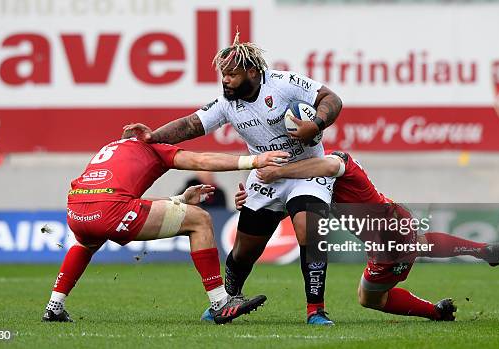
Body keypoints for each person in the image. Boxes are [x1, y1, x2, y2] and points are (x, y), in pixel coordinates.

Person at [125, 33, 343, 325]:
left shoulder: (283, 83)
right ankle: (228, 298)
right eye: (223, 75)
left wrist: (314, 125)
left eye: (231, 74)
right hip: (266, 176)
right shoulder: (227, 103)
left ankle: (315, 310)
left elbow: (331, 98)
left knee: (308, 229)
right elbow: (191, 124)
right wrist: (154, 136)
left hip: (306, 169)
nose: (225, 80)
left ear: (252, 72)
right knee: (243, 251)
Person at [41, 126, 289, 324]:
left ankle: (54, 306)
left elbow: (121, 198)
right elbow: (203, 161)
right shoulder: (155, 149)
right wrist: (254, 161)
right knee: (200, 220)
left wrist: (178, 200)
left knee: (87, 243)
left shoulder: (112, 148)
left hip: (77, 208)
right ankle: (220, 302)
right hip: (111, 209)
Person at [253, 150, 499, 321]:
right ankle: (481, 250)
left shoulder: (329, 161)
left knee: (370, 298)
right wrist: (252, 201)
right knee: (421, 243)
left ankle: (436, 312)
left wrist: (277, 172)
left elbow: (331, 165)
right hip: (394, 218)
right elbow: (298, 206)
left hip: (387, 238)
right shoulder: (311, 175)